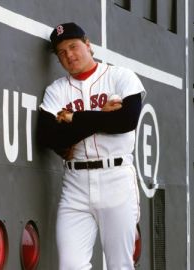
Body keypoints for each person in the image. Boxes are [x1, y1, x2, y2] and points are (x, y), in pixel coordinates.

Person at [38, 22, 146, 270]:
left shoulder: (120, 77)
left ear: (88, 45)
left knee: (119, 265)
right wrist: (100, 116)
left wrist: (73, 119)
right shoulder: (57, 90)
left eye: (73, 46)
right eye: (61, 52)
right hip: (75, 184)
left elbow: (126, 121)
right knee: (71, 266)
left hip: (116, 177)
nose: (69, 55)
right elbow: (48, 136)